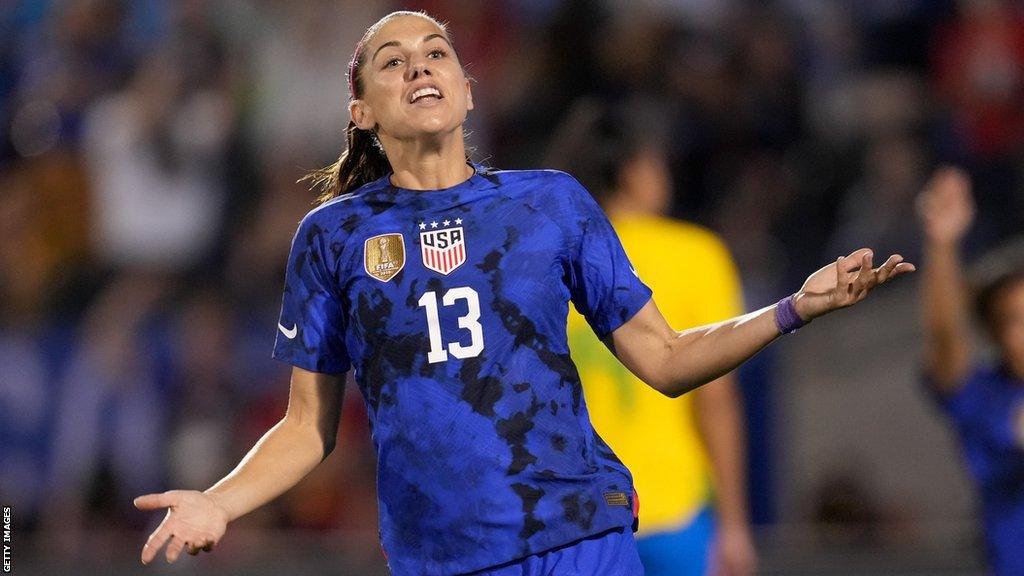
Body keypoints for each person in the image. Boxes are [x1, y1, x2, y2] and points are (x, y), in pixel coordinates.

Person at [134, 11, 914, 575]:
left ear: (469, 93)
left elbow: (668, 359)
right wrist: (219, 502)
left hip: (582, 536)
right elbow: (308, 429)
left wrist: (793, 310)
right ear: (362, 112)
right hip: (443, 557)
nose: (419, 67)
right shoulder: (332, 238)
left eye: (436, 53)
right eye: (393, 60)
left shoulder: (550, 204)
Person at [548, 101, 756, 576]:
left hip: (580, 520)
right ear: (633, 170)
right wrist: (737, 524)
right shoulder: (696, 255)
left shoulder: (552, 260)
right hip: (675, 511)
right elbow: (716, 397)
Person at [917, 167, 1024, 576]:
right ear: (996, 334)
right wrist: (942, 246)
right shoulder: (985, 397)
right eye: (1015, 320)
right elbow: (946, 339)